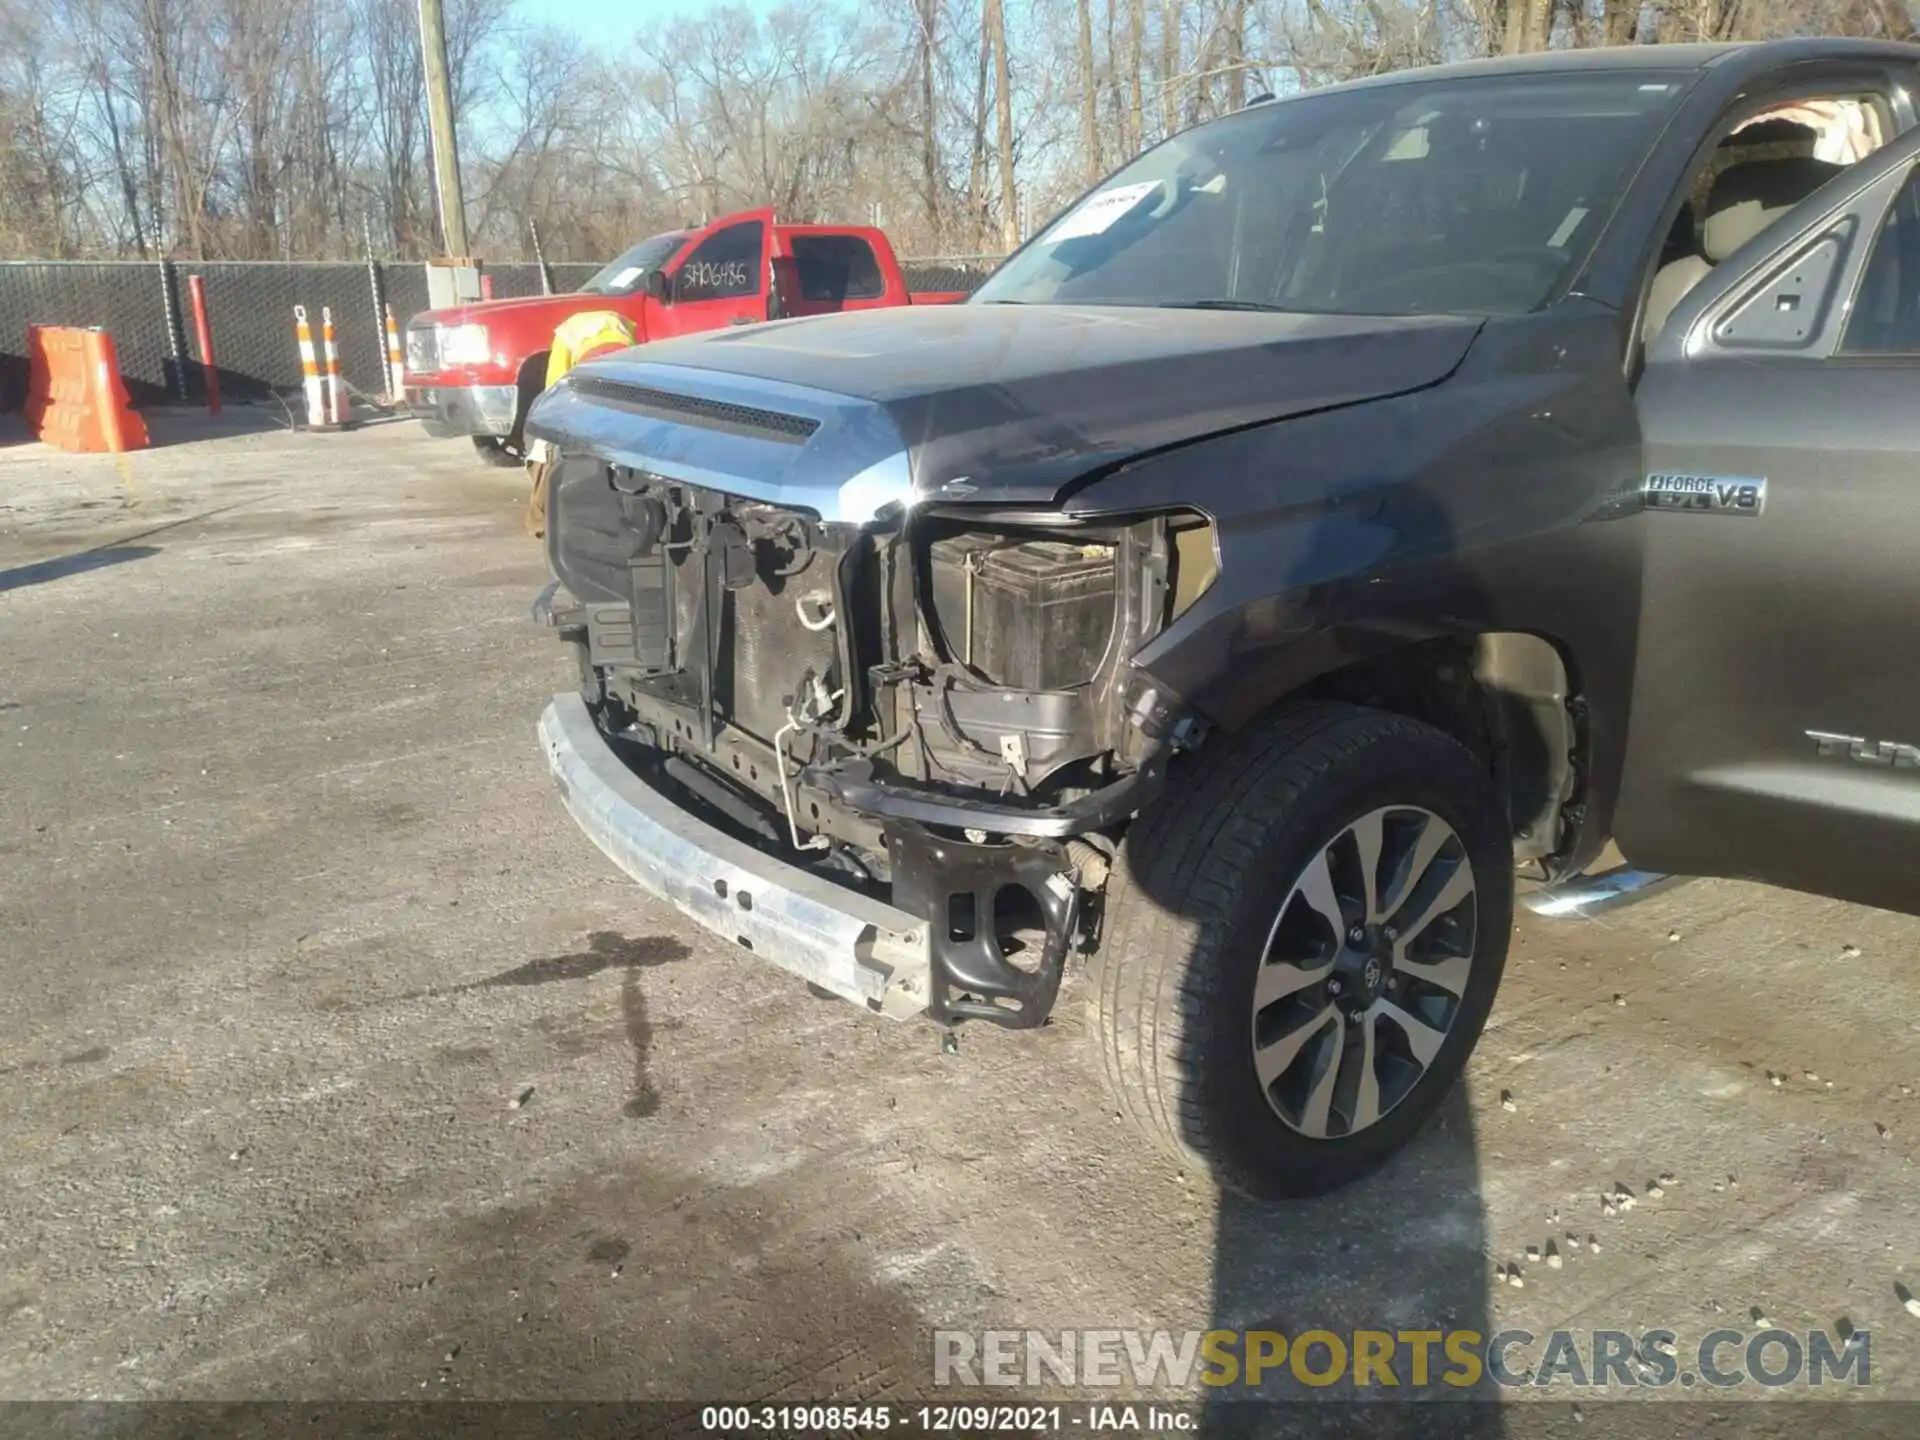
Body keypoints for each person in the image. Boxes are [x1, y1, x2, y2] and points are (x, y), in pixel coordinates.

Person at [523, 309, 638, 538]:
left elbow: (555, 388)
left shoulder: (566, 337)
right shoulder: (625, 330)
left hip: (587, 389)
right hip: (623, 396)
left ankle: (541, 520)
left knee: (545, 448)